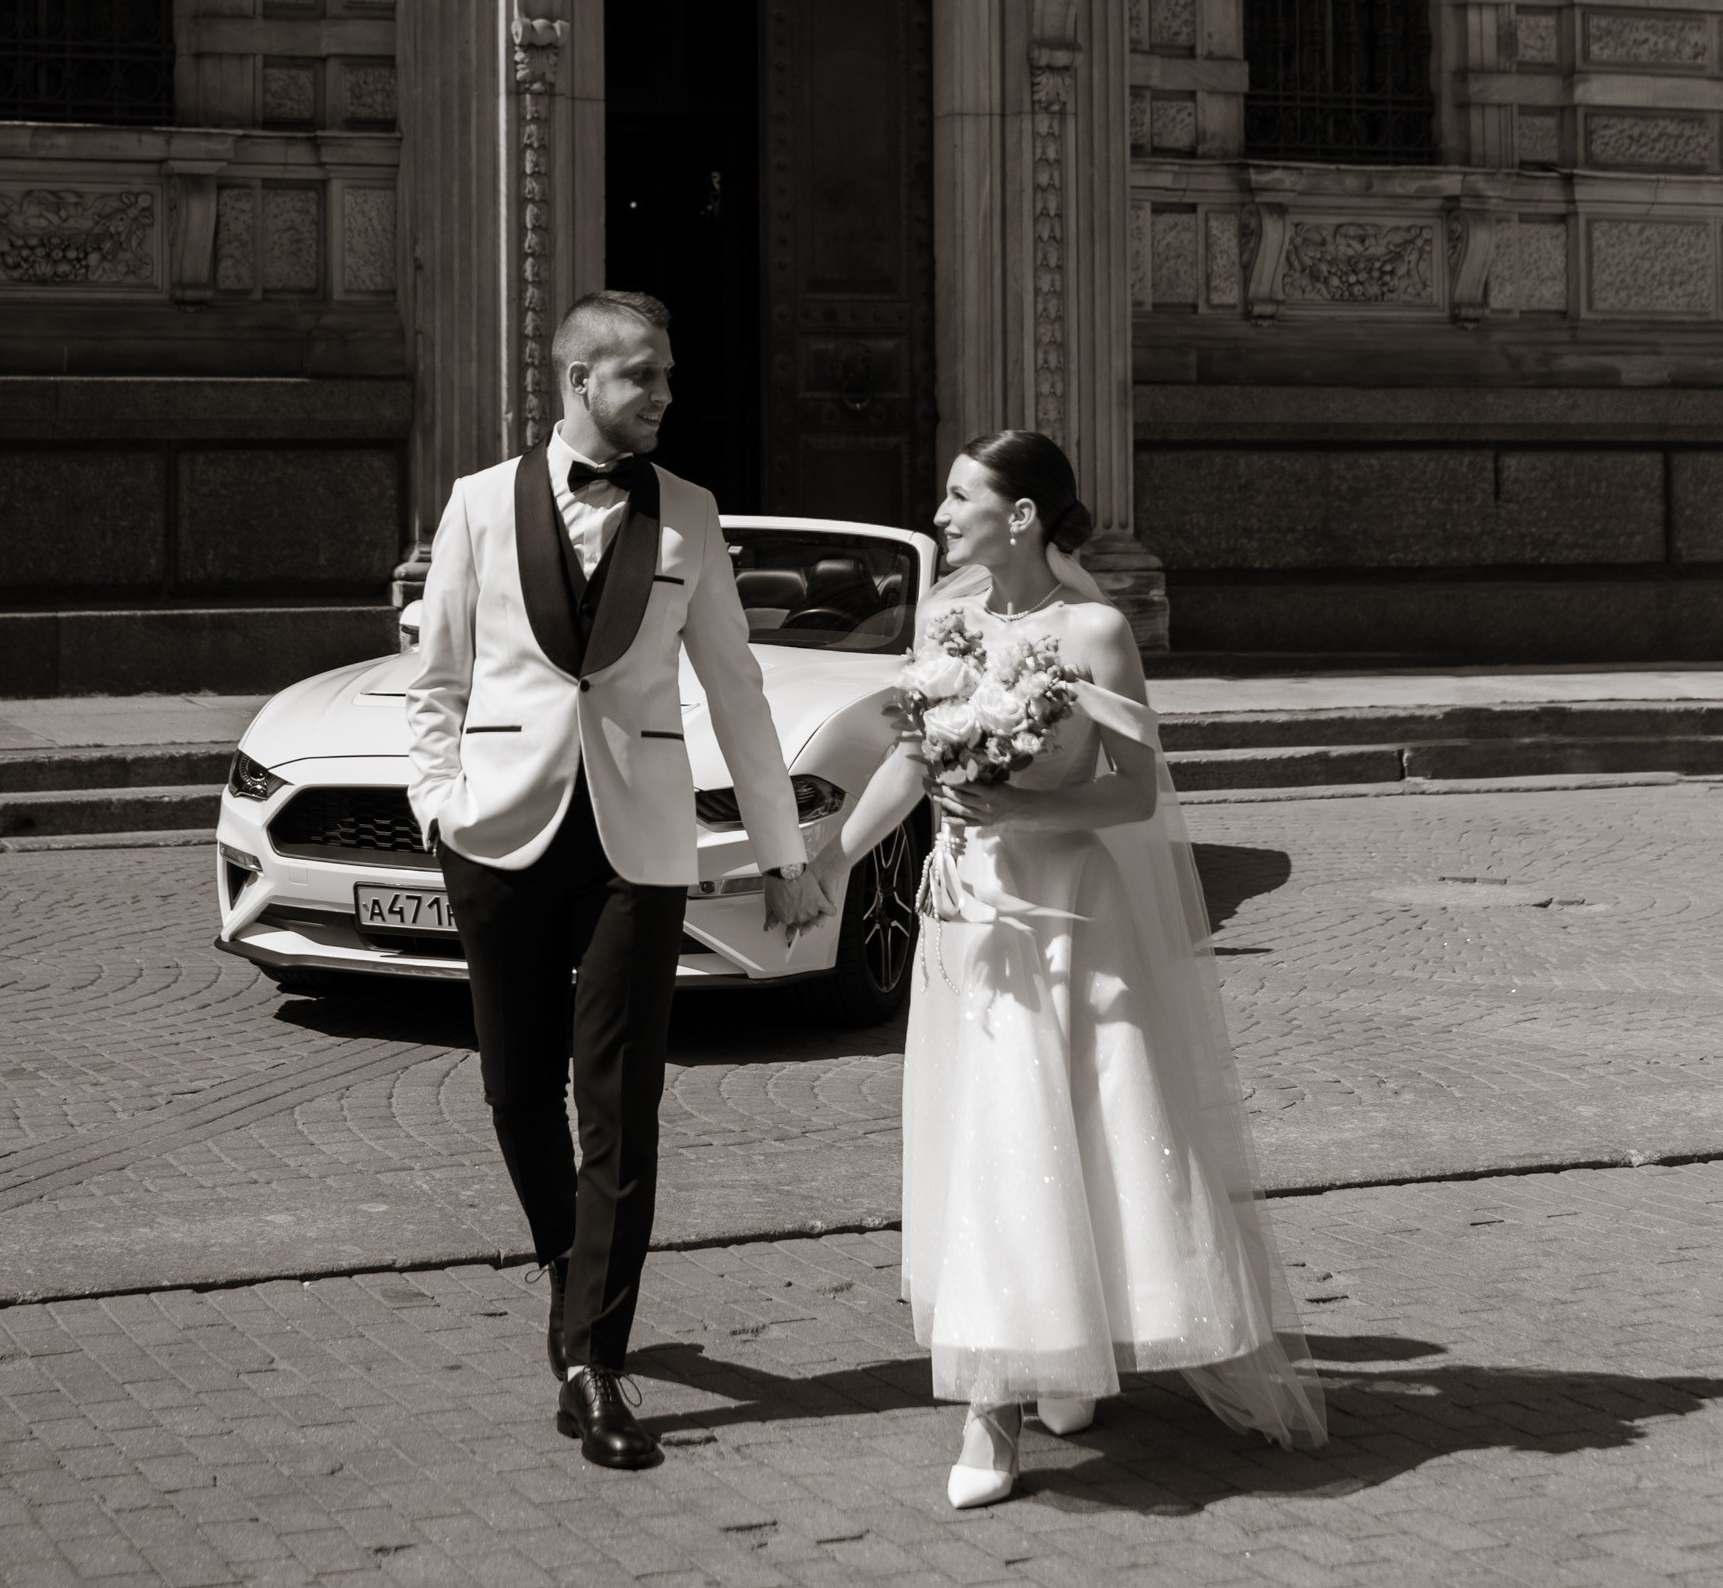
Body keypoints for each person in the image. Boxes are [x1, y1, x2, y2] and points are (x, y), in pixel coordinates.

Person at [819, 428, 1326, 1509]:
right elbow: (909, 765)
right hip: (966, 912)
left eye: (960, 496)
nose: (941, 512)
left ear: (1021, 516)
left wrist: (1025, 801)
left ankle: (995, 1405)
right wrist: (827, 860)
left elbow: (1135, 789)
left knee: (1070, 1124)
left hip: (1066, 912)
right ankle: (1036, 1360)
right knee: (987, 1132)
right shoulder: (945, 617)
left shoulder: (1093, 630)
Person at [406, 289, 832, 1471]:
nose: (662, 394)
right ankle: (567, 1262)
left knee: (620, 1100)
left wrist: (781, 853)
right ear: (579, 378)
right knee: (510, 1090)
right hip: (499, 831)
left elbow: (738, 693)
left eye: (666, 375)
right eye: (640, 375)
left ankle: (595, 1358)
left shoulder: (689, 513)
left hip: (638, 846)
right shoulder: (477, 505)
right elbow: (435, 680)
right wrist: (439, 810)